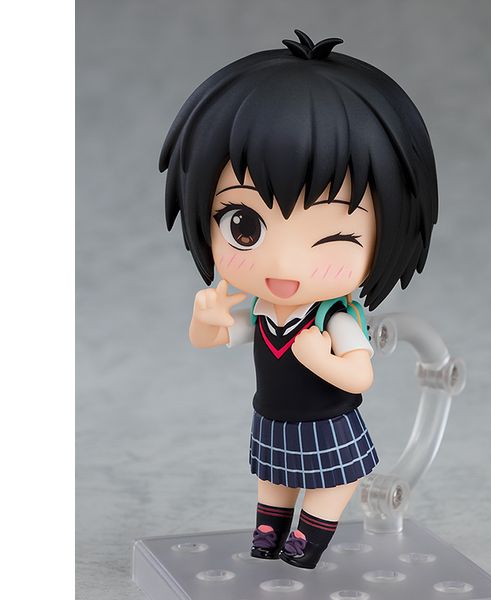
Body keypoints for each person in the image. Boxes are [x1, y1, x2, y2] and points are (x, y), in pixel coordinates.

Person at [160, 29, 438, 569]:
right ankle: (268, 531)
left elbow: (360, 376)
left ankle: (308, 537)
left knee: (334, 481)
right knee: (274, 478)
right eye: (244, 226)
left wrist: (319, 358)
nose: (285, 266)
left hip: (329, 421)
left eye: (334, 237)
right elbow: (212, 339)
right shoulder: (262, 310)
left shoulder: (335, 317)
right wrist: (205, 318)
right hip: (273, 418)